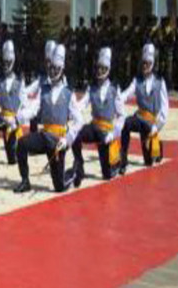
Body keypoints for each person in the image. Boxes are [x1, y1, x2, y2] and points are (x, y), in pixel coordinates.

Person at [13, 44, 82, 193]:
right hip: (44, 136)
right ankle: (25, 180)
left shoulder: (69, 94)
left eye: (56, 68)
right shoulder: (44, 89)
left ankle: (74, 171)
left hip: (59, 141)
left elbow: (79, 121)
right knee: (22, 144)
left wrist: (68, 139)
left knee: (59, 187)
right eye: (51, 68)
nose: (53, 71)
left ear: (62, 69)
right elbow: (34, 108)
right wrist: (20, 117)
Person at [71, 48, 125, 186]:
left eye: (103, 68)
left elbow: (121, 116)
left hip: (107, 131)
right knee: (75, 135)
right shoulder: (92, 87)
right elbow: (81, 105)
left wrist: (113, 134)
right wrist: (70, 111)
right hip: (94, 126)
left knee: (106, 175)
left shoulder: (114, 89)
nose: (99, 71)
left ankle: (119, 159)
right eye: (98, 68)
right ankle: (79, 167)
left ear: (108, 69)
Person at [119, 44, 169, 172]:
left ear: (152, 64)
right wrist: (118, 98)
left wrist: (156, 127)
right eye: (143, 63)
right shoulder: (137, 80)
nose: (144, 66)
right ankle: (123, 159)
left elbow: (164, 109)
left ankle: (158, 147)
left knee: (149, 162)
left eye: (147, 63)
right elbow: (127, 93)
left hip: (151, 123)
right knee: (126, 123)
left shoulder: (160, 82)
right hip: (139, 118)